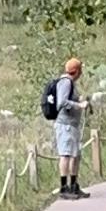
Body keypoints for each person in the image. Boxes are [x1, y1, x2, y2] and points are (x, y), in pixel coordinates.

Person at [43, 54, 86, 196]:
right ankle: (64, 187)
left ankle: (73, 185)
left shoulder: (70, 83)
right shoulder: (66, 82)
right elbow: (61, 102)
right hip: (65, 125)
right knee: (66, 154)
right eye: (80, 70)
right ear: (77, 71)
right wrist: (79, 105)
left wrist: (78, 100)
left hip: (71, 125)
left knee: (74, 155)